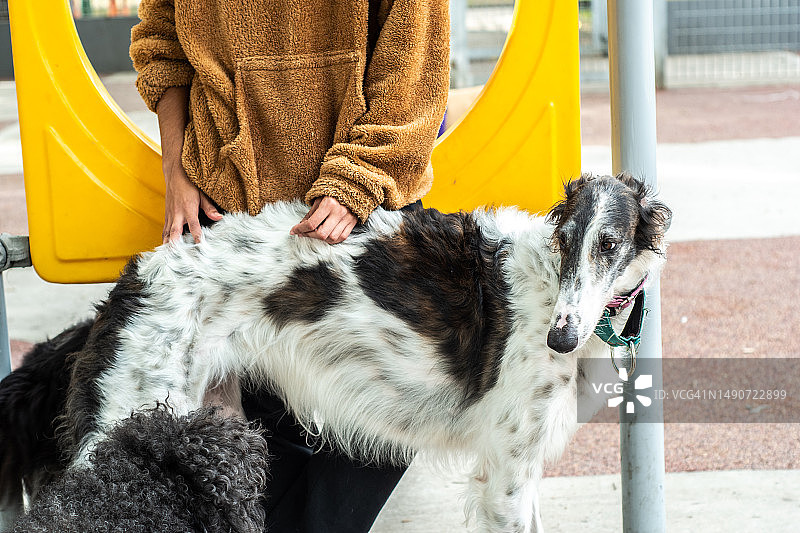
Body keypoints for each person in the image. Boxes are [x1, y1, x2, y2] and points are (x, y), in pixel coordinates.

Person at [129, 0, 449, 531]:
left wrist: (358, 181)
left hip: (356, 213)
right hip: (235, 210)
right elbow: (162, 43)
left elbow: (415, 66)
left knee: (396, 410)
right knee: (261, 436)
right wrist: (175, 169)